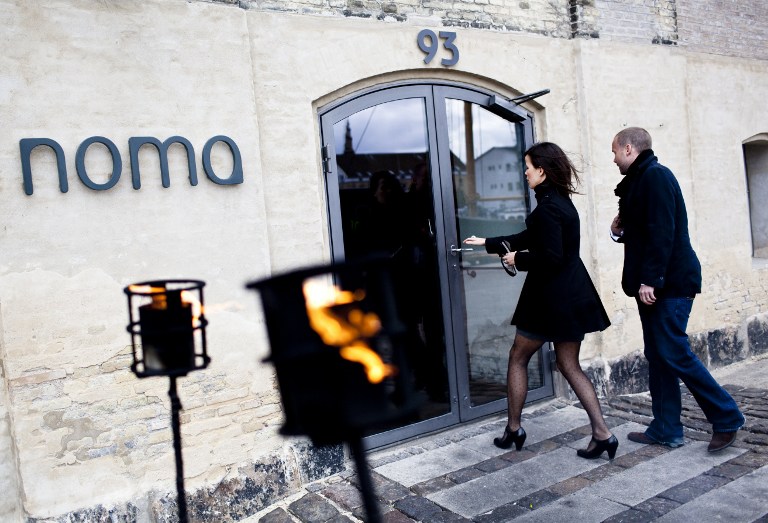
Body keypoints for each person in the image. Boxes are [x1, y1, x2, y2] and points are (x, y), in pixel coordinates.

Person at [464, 142, 615, 459]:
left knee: (518, 357)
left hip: (549, 298)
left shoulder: (548, 208)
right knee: (568, 364)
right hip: (571, 294)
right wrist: (489, 242)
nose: (525, 172)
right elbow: (533, 237)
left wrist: (517, 259)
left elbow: (549, 255)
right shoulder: (560, 203)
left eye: (528, 167)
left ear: (542, 171)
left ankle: (514, 429)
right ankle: (602, 433)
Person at [609, 127, 745, 452]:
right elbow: (643, 231)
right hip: (657, 285)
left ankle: (726, 417)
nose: (613, 158)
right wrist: (618, 231)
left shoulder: (655, 176)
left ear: (629, 149)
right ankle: (666, 428)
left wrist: (651, 279)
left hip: (669, 284)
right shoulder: (641, 181)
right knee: (658, 356)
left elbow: (662, 232)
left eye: (614, 151)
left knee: (673, 352)